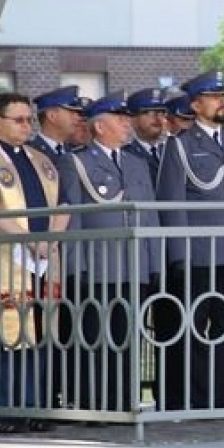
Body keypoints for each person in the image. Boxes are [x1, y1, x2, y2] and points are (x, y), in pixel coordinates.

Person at [155, 70, 224, 411]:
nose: (222, 102)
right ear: (196, 104)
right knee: (196, 332)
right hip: (199, 253)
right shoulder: (181, 146)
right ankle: (197, 401)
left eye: (223, 96)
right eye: (215, 97)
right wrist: (178, 255)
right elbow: (172, 204)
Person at [0, 92, 69, 433]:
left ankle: (37, 408)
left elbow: (62, 206)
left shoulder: (42, 160)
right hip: (8, 258)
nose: (27, 126)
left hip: (44, 258)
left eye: (30, 120)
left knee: (40, 330)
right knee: (9, 333)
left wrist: (50, 240)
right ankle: (5, 410)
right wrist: (29, 240)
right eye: (19, 119)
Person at [55, 93, 160, 415]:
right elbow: (74, 217)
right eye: (120, 119)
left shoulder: (135, 163)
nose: (127, 125)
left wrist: (154, 263)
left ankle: (122, 400)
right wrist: (77, 266)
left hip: (134, 265)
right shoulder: (77, 161)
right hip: (98, 264)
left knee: (128, 337)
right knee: (95, 337)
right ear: (99, 126)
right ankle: (93, 402)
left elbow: (150, 215)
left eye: (127, 119)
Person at [122, 87, 171, 186]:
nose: (157, 118)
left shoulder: (171, 151)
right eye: (149, 113)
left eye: (161, 113)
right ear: (133, 120)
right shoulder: (125, 155)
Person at [30, 85, 85, 159]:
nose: (78, 118)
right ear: (52, 116)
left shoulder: (76, 152)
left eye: (77, 113)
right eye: (71, 112)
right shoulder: (30, 152)